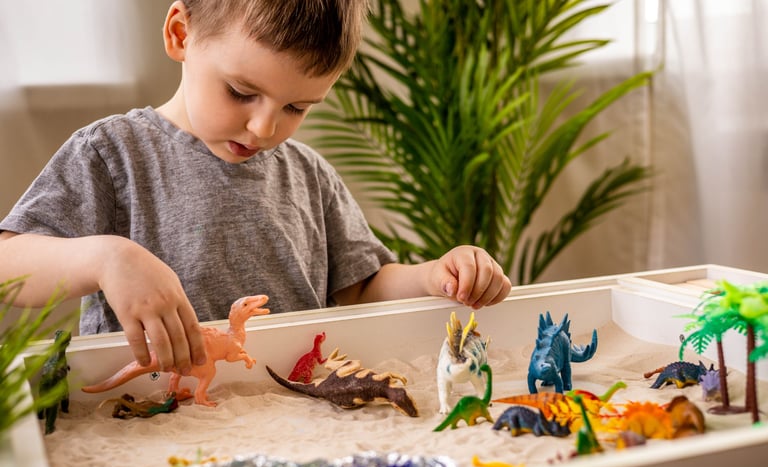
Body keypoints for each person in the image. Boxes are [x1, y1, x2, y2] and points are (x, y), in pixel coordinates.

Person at [0, 0, 511, 376]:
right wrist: (106, 258)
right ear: (181, 34)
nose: (266, 129)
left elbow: (361, 288)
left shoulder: (309, 173)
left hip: (289, 404)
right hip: (152, 409)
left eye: (297, 107)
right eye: (242, 92)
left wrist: (434, 277)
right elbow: (8, 263)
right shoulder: (111, 153)